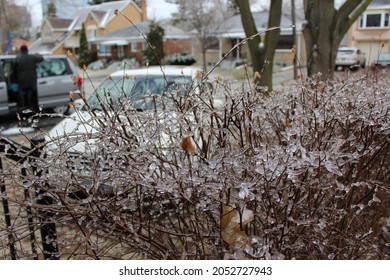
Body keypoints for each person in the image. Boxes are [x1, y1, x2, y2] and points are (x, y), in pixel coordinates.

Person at [14, 45, 43, 113]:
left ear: (21, 50)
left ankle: (24, 108)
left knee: (22, 95)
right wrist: (36, 54)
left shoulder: (18, 58)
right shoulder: (32, 57)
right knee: (32, 96)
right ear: (27, 50)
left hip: (22, 81)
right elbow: (41, 58)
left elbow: (14, 67)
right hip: (32, 81)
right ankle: (33, 109)